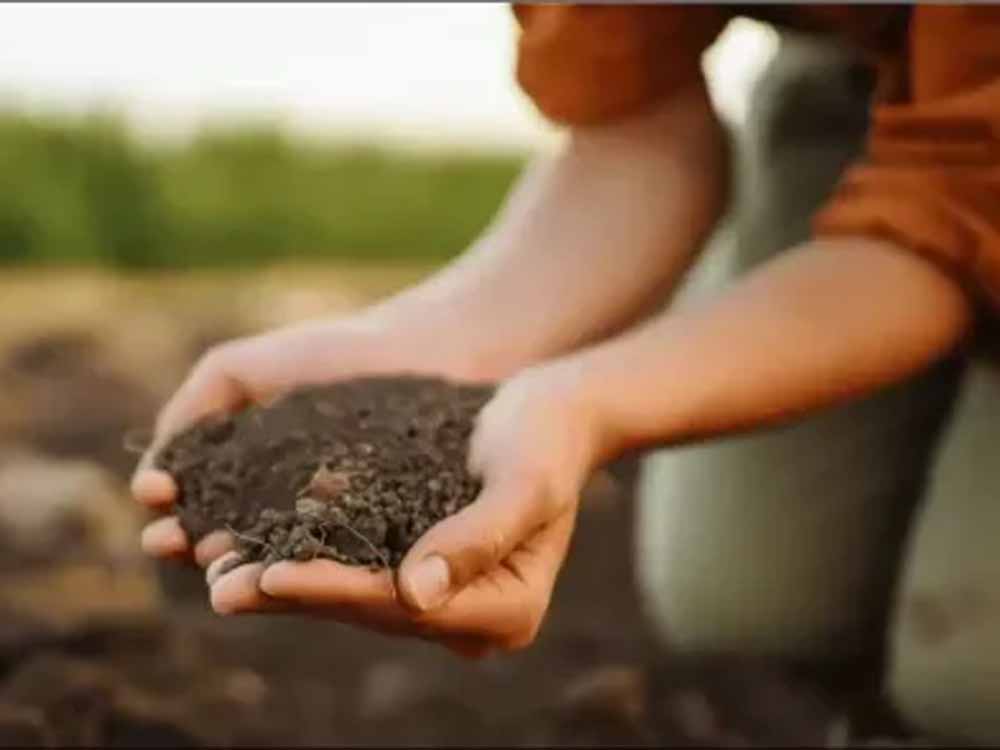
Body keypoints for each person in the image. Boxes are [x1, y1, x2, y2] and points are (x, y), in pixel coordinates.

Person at [132, 6, 1000, 742]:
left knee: (967, 686)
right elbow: (635, 138)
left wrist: (591, 402)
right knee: (751, 607)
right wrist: (446, 350)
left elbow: (953, 212)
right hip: (868, 73)